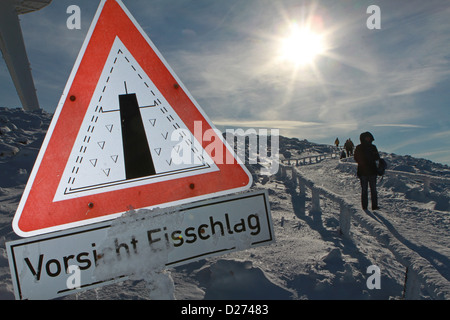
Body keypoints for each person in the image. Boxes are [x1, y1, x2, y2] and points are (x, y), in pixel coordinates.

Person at [354, 132, 380, 210]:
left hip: (372, 171)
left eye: (369, 137)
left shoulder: (373, 147)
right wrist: (364, 162)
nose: (368, 139)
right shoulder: (359, 147)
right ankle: (364, 206)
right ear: (363, 138)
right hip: (363, 172)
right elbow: (356, 158)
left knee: (373, 190)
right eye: (366, 137)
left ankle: (374, 206)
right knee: (364, 190)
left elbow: (377, 157)